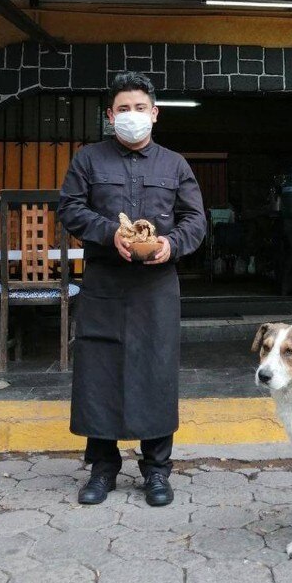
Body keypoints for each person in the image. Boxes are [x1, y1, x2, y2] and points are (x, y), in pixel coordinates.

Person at [56, 72, 206, 507]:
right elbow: (69, 208)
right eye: (124, 109)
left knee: (156, 372)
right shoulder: (89, 160)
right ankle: (102, 469)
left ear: (155, 114)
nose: (132, 116)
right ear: (110, 115)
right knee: (99, 372)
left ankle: (157, 471)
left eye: (140, 108)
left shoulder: (175, 164)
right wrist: (110, 234)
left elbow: (195, 220)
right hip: (104, 283)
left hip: (157, 287)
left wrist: (170, 244)